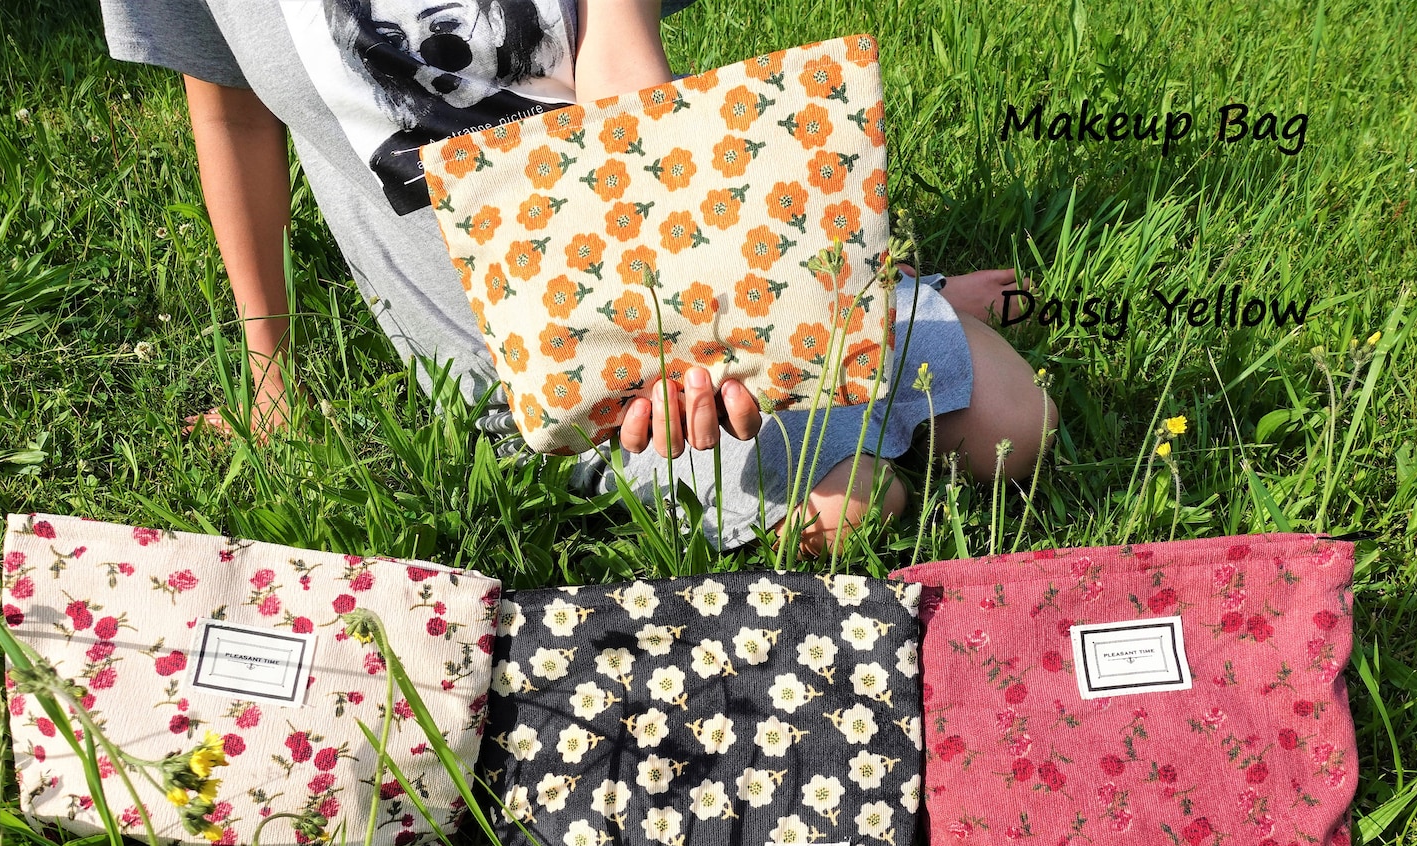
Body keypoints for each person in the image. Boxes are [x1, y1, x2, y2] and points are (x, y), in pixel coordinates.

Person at [98, 0, 1057, 553]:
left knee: (1021, 429)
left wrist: (683, 327)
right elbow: (231, 117)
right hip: (521, 355)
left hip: (656, 263)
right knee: (854, 510)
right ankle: (874, 295)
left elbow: (623, 80)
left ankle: (849, 288)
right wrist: (269, 375)